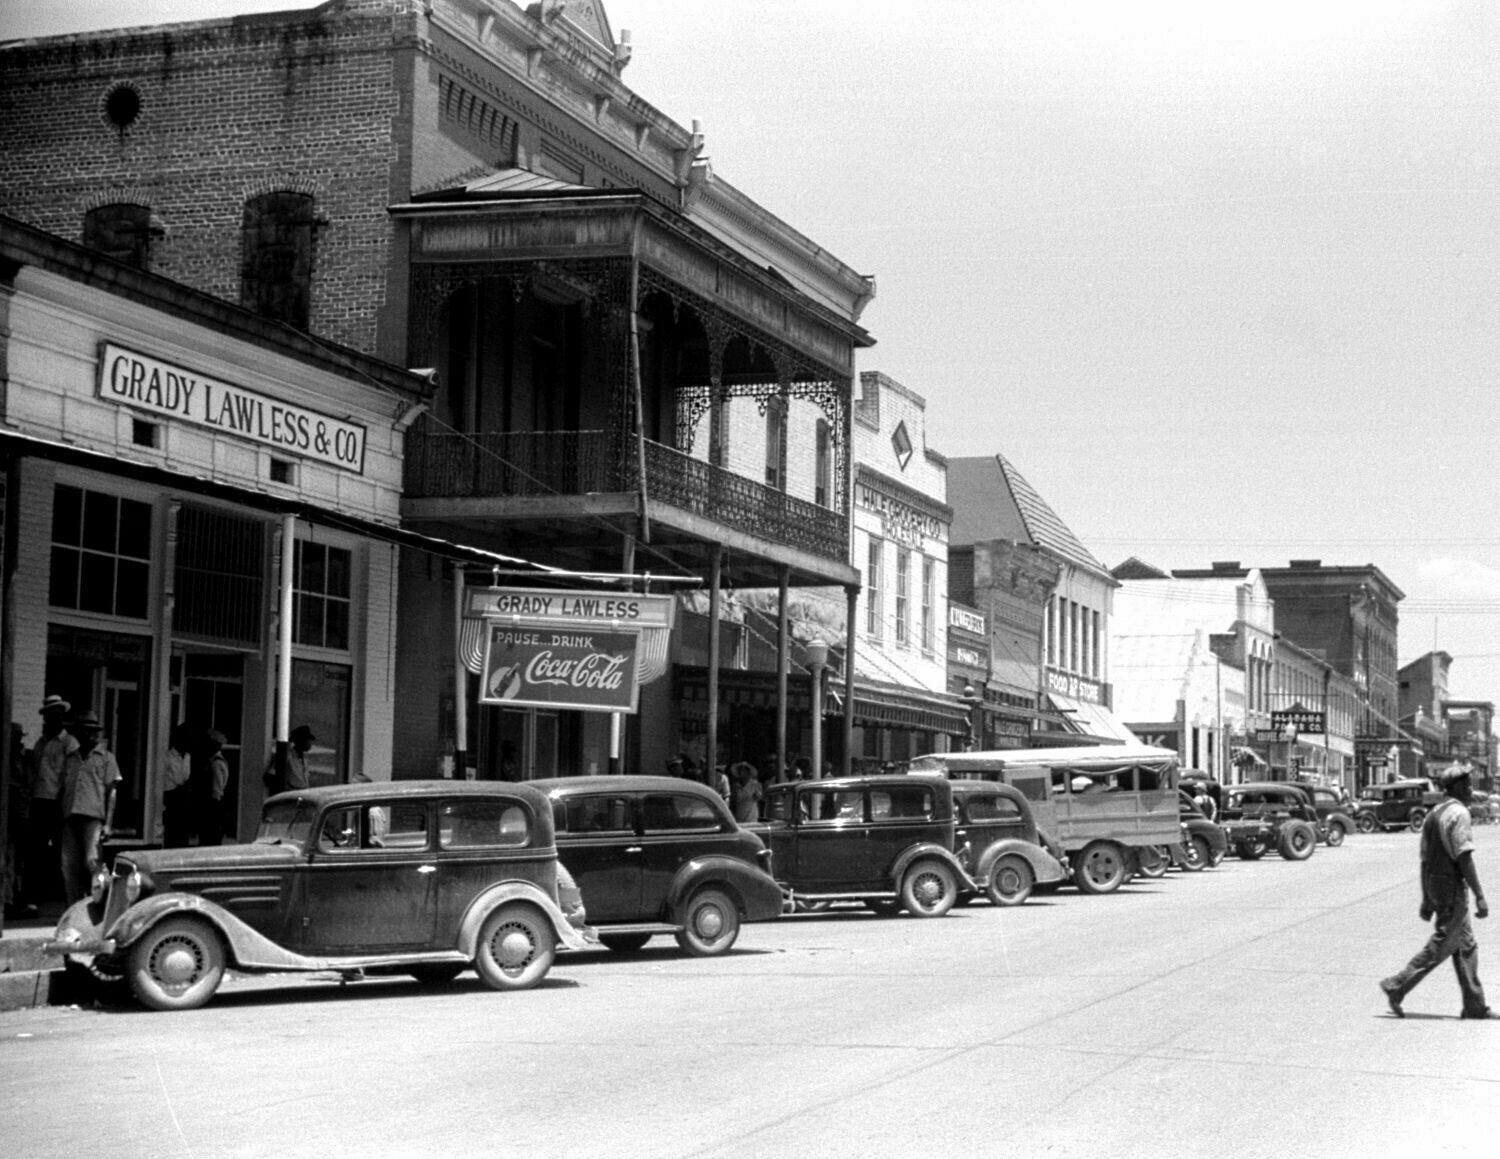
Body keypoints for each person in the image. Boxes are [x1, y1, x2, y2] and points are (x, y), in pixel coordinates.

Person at [1380, 765, 1490, 1019]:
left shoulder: (1433, 814)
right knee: (1444, 942)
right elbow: (1464, 857)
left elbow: (1425, 860)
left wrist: (1427, 897)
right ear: (1456, 788)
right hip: (1452, 886)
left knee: (1466, 945)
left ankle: (1474, 1004)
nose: (1472, 788)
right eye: (1468, 784)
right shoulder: (1459, 813)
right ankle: (1397, 985)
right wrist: (1480, 895)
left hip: (1436, 883)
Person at [19, 694, 76, 913]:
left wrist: (64, 805)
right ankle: (34, 898)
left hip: (57, 802)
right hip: (38, 801)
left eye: (57, 715)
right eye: (49, 715)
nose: (52, 719)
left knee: (59, 851)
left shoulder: (68, 743)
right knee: (36, 851)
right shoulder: (41, 743)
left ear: (62, 717)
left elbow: (69, 776)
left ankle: (61, 898)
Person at [58, 710, 120, 903]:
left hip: (92, 818)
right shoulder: (71, 758)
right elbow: (62, 787)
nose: (87, 735)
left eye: (90, 731)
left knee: (92, 861)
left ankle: (104, 901)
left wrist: (108, 824)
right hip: (70, 816)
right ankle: (73, 907)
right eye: (82, 731)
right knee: (69, 865)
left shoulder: (106, 757)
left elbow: (112, 791)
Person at [161, 723, 195, 847]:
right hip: (171, 799)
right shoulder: (167, 757)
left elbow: (187, 777)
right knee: (172, 836)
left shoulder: (188, 757)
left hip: (184, 801)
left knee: (182, 838)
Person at [196, 730, 231, 846]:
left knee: (210, 838)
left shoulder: (216, 763)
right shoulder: (213, 761)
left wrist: (212, 806)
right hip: (214, 805)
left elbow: (216, 788)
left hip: (213, 805)